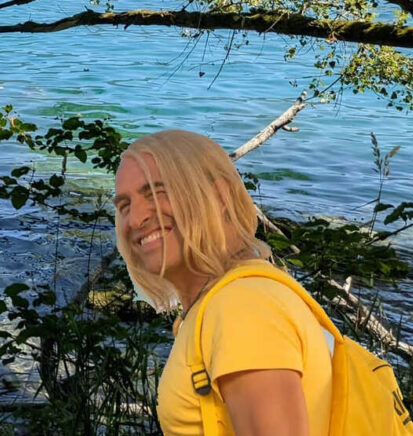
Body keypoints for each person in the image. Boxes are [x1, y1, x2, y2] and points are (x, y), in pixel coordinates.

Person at [113, 129, 332, 436]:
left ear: (219, 197)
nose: (135, 219)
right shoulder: (222, 302)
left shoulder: (242, 307)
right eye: (124, 205)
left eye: (156, 192)